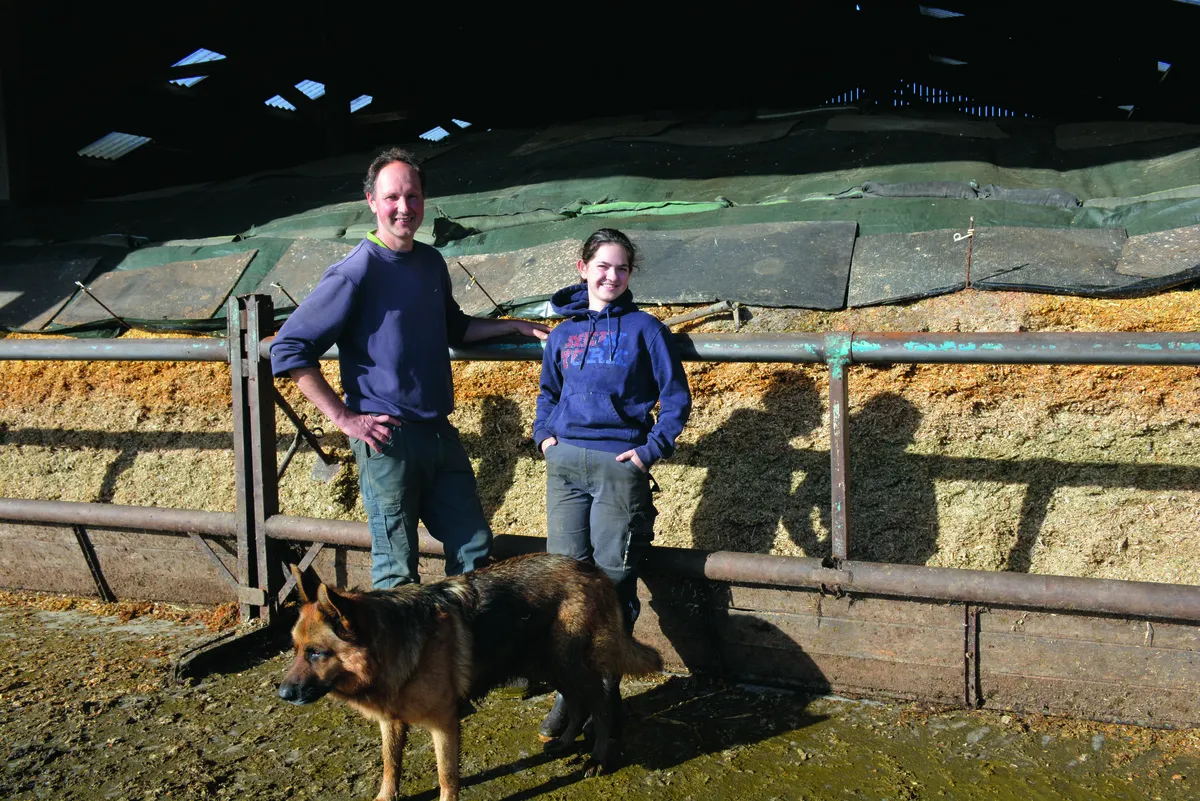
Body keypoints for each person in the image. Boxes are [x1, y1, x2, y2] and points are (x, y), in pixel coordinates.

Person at [270, 147, 549, 589]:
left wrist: (512, 325)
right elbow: (289, 348)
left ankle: (464, 653)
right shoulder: (355, 271)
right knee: (398, 567)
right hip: (388, 438)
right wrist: (344, 418)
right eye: (393, 197)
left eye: (413, 196)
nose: (404, 207)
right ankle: (399, 659)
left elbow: (454, 328)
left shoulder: (430, 262)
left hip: (438, 432)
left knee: (473, 545)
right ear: (371, 201)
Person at [531, 227, 691, 742]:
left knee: (614, 577)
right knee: (564, 577)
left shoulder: (646, 329)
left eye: (621, 268)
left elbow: (676, 397)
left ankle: (605, 686)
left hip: (617, 464)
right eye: (603, 266)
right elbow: (548, 393)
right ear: (582, 267)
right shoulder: (562, 334)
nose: (612, 276)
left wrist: (647, 452)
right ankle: (567, 686)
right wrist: (543, 438)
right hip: (565, 465)